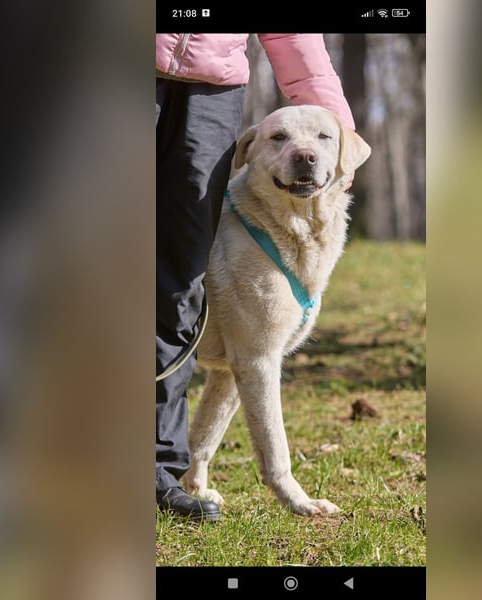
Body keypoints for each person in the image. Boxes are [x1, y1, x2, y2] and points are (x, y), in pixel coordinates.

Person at [155, 34, 356, 521]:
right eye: (282, 141)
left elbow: (293, 36)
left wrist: (338, 123)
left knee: (180, 280)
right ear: (249, 153)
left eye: (321, 144)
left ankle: (167, 467)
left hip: (214, 86)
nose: (304, 153)